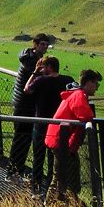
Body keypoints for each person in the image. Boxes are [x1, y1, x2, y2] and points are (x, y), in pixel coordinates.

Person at [45, 69, 102, 201]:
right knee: (60, 177)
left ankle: (60, 204)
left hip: (61, 140)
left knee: (62, 175)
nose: (97, 88)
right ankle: (53, 206)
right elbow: (85, 115)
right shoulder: (78, 95)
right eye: (96, 85)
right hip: (61, 141)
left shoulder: (76, 94)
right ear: (88, 83)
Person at [23, 56, 74, 195]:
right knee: (54, 159)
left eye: (43, 67)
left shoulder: (41, 80)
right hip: (58, 125)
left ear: (49, 67)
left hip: (40, 123)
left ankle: (36, 189)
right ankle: (53, 190)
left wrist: (34, 72)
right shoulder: (67, 80)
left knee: (38, 157)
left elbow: (26, 89)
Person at [8, 33, 52, 176]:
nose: (44, 47)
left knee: (21, 138)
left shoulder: (28, 56)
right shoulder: (34, 62)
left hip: (22, 102)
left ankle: (15, 170)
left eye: (46, 44)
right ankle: (14, 171)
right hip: (25, 104)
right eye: (42, 44)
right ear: (35, 44)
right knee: (22, 138)